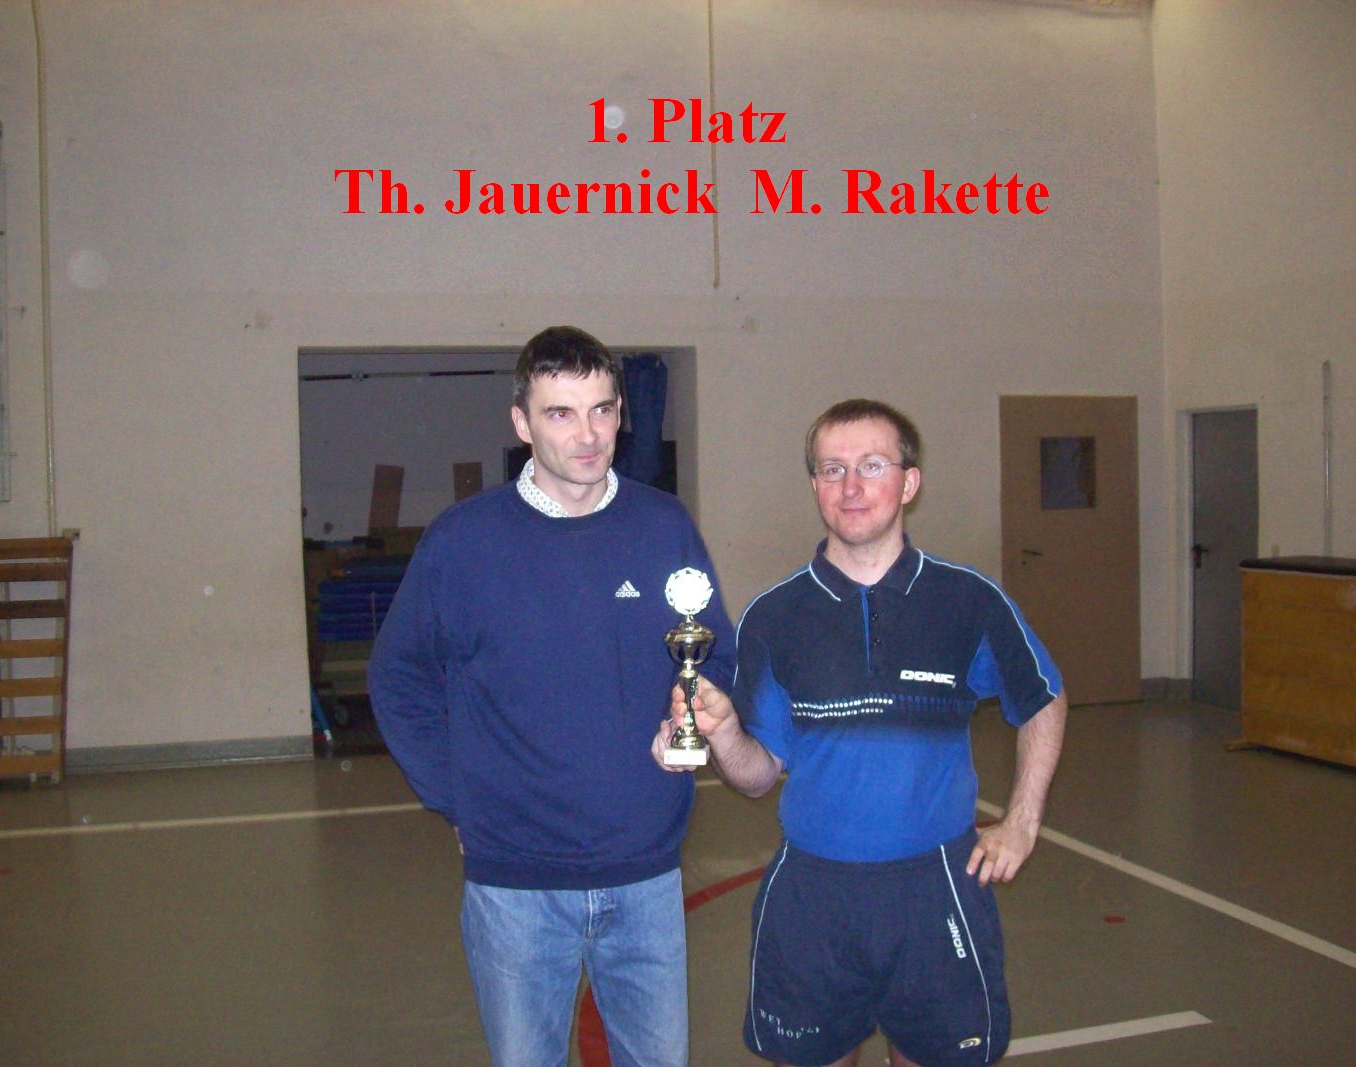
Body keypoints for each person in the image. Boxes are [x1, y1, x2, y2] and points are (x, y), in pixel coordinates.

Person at [653, 398, 1066, 1067]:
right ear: (815, 486)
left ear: (909, 482)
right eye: (832, 469)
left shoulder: (969, 601)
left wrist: (1022, 821)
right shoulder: (774, 616)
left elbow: (1043, 698)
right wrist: (724, 734)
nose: (851, 486)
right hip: (812, 897)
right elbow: (756, 777)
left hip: (937, 889)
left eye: (872, 465)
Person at [368, 325, 735, 1067]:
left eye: (602, 409)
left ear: (623, 411)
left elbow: (712, 655)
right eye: (560, 413)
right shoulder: (463, 541)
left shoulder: (664, 525)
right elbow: (398, 677)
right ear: (522, 422)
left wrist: (690, 714)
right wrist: (455, 798)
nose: (588, 435)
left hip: (646, 872)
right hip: (515, 885)